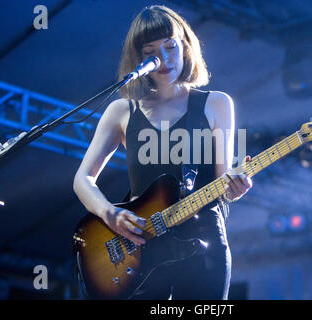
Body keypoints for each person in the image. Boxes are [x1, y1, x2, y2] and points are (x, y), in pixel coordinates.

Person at [73, 5, 252, 299]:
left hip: (203, 242)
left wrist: (236, 188)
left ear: (185, 47)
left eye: (170, 46)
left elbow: (224, 185)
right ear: (138, 58)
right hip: (140, 245)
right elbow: (82, 179)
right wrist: (110, 214)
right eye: (150, 52)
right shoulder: (121, 111)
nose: (164, 59)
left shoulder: (217, 104)